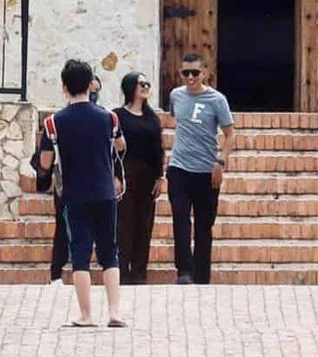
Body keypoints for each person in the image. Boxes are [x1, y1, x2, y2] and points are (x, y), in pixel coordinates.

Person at [38, 59, 126, 329]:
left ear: (64, 87)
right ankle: (114, 312)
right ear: (91, 85)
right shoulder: (109, 117)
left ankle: (86, 315)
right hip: (105, 192)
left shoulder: (53, 123)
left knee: (80, 252)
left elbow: (44, 162)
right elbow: (121, 145)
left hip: (74, 194)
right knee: (109, 251)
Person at [167, 52, 235, 285]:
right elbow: (176, 120)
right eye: (185, 73)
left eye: (195, 73)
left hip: (206, 171)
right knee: (180, 219)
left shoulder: (217, 100)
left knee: (204, 226)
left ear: (204, 73)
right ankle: (183, 271)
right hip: (179, 167)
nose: (190, 77)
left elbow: (230, 134)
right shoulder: (176, 95)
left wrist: (221, 161)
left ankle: (201, 275)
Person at [114, 71, 165, 285]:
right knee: (124, 224)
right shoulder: (117, 116)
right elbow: (111, 150)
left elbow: (158, 149)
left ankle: (139, 274)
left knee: (144, 225)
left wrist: (160, 177)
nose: (145, 87)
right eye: (140, 84)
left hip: (147, 177)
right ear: (130, 87)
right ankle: (122, 273)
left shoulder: (152, 118)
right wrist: (114, 177)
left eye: (147, 84)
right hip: (125, 175)